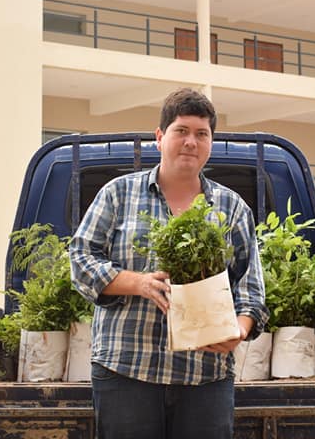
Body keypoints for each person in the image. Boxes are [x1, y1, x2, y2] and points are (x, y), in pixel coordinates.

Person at [69, 88, 268, 439]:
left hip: (204, 376)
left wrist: (240, 329)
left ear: (210, 143)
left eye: (201, 134)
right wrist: (138, 283)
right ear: (160, 138)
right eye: (181, 131)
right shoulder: (118, 194)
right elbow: (81, 260)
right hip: (126, 371)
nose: (191, 142)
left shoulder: (232, 208)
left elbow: (250, 286)